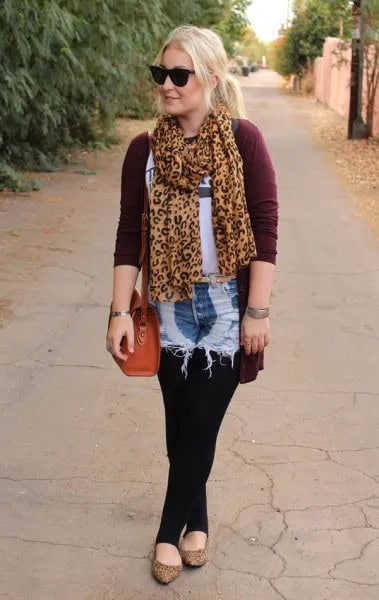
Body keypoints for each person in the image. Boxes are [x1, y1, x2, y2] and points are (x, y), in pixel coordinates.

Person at [106, 25, 278, 585]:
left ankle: (165, 533)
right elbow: (129, 234)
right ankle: (196, 524)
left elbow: (266, 229)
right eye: (162, 74)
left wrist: (258, 310)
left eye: (180, 75)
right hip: (169, 306)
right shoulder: (144, 150)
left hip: (228, 306)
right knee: (180, 428)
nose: (168, 85)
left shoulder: (244, 141)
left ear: (210, 78)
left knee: (200, 424)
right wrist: (116, 313)